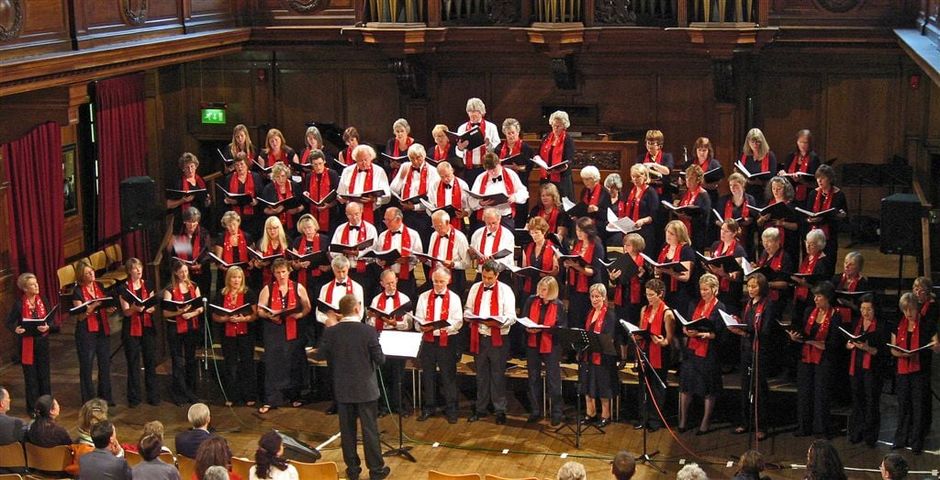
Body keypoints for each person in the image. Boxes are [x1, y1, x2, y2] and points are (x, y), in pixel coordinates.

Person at [313, 294, 391, 480]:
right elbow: (380, 360)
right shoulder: (368, 331)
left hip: (343, 389)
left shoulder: (332, 332)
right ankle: (376, 471)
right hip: (366, 389)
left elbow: (320, 355)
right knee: (370, 431)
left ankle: (353, 470)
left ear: (341, 312)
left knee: (347, 432)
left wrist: (328, 328)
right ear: (357, 309)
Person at [257, 258, 312, 414]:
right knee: (274, 363)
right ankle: (271, 399)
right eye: (278, 272)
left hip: (293, 328)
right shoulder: (267, 288)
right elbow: (260, 310)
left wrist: (300, 315)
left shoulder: (298, 287)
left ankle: (294, 396)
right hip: (274, 330)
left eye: (283, 272)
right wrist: (269, 315)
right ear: (273, 273)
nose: (281, 275)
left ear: (289, 271)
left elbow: (307, 306)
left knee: (293, 361)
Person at [465, 261, 517, 424]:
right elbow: (468, 308)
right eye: (484, 277)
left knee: (497, 375)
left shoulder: (505, 291)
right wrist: (470, 316)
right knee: (481, 375)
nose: (486, 281)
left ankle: (499, 409)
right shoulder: (475, 288)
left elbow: (511, 316)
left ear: (497, 275)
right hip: (479, 336)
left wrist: (498, 322)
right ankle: (481, 408)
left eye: (489, 278)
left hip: (498, 338)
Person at [789, 281, 842, 437]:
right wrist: (795, 337)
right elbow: (804, 333)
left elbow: (834, 343)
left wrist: (813, 342)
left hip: (824, 359)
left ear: (828, 298)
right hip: (806, 356)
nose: (815, 299)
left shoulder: (835, 315)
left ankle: (821, 429)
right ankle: (804, 426)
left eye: (819, 296)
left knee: (821, 394)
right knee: (804, 393)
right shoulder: (808, 311)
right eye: (815, 296)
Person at [414, 267, 464, 424]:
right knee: (428, 374)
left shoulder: (454, 298)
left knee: (448, 376)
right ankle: (429, 407)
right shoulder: (423, 297)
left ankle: (452, 409)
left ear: (448, 280)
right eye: (435, 281)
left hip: (446, 341)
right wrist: (421, 326)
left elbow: (458, 322)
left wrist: (438, 327)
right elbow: (417, 319)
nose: (438, 284)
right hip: (428, 341)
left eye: (441, 281)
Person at [729, 274, 774, 440]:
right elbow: (747, 324)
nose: (751, 289)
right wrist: (737, 322)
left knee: (758, 389)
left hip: (759, 350)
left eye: (754, 286)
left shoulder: (768, 305)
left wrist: (743, 331)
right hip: (746, 349)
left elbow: (766, 331)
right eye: (749, 286)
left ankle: (761, 425)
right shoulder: (748, 303)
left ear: (762, 287)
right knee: (745, 387)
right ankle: (745, 422)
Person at [678, 274, 724, 435]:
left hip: (709, 351)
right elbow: (688, 323)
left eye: (706, 289)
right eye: (701, 289)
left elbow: (721, 332)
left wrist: (708, 335)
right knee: (686, 386)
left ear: (714, 289)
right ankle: (683, 420)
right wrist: (686, 330)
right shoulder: (694, 304)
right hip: (692, 349)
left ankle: (705, 422)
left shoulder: (720, 307)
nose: (703, 292)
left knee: (708, 387)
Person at [890, 292, 935, 454]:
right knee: (903, 405)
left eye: (911, 310)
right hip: (902, 369)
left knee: (918, 406)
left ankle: (917, 441)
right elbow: (893, 348)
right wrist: (901, 354)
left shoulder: (926, 324)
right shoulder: (898, 323)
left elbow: (935, 343)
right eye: (905, 310)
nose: (908, 313)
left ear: (917, 309)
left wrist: (934, 345)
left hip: (919, 371)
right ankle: (900, 438)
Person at [210, 266, 258, 407]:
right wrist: (225, 319)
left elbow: (255, 315)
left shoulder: (248, 293)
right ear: (228, 279)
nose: (236, 280)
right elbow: (214, 315)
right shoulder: (221, 294)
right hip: (228, 334)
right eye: (233, 277)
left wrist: (244, 319)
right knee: (230, 365)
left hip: (246, 334)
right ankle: (232, 396)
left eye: (239, 277)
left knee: (247, 364)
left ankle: (249, 395)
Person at [367, 269, 413, 416]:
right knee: (383, 374)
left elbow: (409, 324)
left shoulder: (405, 299)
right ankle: (384, 406)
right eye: (388, 283)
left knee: (398, 375)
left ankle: (398, 405)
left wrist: (395, 324)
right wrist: (373, 318)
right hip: (381, 339)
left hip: (399, 338)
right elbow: (370, 323)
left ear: (397, 281)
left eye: (393, 282)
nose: (391, 286)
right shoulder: (376, 300)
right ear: (382, 284)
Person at [522, 276, 566, 426]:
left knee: (554, 380)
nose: (541, 291)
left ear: (552, 290)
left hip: (551, 346)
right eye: (540, 288)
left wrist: (548, 330)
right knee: (533, 378)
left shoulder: (558, 305)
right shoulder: (531, 300)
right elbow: (524, 318)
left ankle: (556, 412)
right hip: (533, 344)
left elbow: (562, 328)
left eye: (544, 289)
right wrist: (527, 328)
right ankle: (536, 410)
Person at [632, 279, 675, 431]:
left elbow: (669, 340)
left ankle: (655, 420)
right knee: (643, 386)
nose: (648, 298)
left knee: (656, 388)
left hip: (659, 353)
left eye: (651, 295)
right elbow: (640, 329)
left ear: (660, 294)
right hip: (645, 351)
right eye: (647, 294)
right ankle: (642, 418)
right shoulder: (644, 309)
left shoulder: (667, 313)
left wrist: (662, 341)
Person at [6, 272, 53, 411]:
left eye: (36, 283)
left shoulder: (43, 299)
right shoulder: (19, 304)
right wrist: (16, 329)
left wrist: (48, 326)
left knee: (44, 375)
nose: (37, 286)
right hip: (27, 344)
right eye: (33, 284)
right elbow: (9, 322)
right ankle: (33, 408)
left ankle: (47, 406)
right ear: (25, 289)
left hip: (42, 342)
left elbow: (50, 318)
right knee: (31, 378)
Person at [72, 261, 115, 404]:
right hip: (86, 332)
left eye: (92, 271)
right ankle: (89, 401)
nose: (92, 274)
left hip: (101, 329)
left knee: (104, 364)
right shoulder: (77, 291)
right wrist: (92, 307)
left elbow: (103, 305)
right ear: (81, 277)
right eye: (88, 273)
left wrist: (107, 310)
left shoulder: (100, 286)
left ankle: (106, 398)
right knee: (87, 366)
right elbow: (80, 316)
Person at [163, 259, 205, 405]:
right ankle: (179, 393)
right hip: (175, 328)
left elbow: (200, 308)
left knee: (190, 360)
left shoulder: (194, 286)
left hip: (191, 327)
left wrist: (191, 314)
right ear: (175, 272)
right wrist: (179, 312)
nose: (184, 274)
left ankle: (191, 391)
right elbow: (165, 313)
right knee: (178, 361)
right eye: (181, 272)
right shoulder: (169, 290)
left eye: (186, 271)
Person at [120, 258, 160, 407]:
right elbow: (125, 312)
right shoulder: (124, 289)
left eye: (140, 267)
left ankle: (153, 396)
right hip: (131, 328)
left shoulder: (148, 284)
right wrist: (135, 309)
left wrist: (149, 308)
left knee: (150, 361)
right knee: (133, 363)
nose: (139, 270)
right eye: (135, 268)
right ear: (129, 271)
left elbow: (152, 305)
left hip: (147, 327)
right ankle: (134, 398)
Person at [846, 293, 884, 447]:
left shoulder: (881, 325)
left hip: (873, 370)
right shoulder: (857, 323)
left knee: (871, 402)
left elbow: (882, 351)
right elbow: (848, 341)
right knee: (857, 401)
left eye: (868, 309)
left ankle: (870, 436)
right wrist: (849, 345)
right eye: (862, 309)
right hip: (856, 367)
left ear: (875, 310)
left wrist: (867, 348)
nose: (865, 312)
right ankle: (857, 432)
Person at [579, 283, 616, 428]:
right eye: (592, 296)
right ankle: (591, 413)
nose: (594, 299)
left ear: (604, 297)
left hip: (603, 356)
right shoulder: (589, 313)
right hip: (588, 355)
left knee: (603, 386)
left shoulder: (610, 315)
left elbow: (610, 337)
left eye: (597, 297)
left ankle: (606, 415)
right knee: (588, 384)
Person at [389, 143, 439, 244]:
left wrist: (414, 207)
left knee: (421, 242)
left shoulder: (433, 171)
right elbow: (393, 190)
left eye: (418, 158)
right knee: (405, 242)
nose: (415, 161)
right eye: (412, 158)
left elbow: (432, 199)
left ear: (424, 156)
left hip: (423, 215)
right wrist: (401, 178)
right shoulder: (405, 167)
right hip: (405, 213)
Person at [803, 164, 847, 273]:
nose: (819, 181)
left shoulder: (839, 195)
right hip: (813, 234)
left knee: (828, 263)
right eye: (818, 178)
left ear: (830, 179)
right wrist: (809, 219)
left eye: (822, 178)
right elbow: (807, 213)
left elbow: (844, 214)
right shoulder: (813, 193)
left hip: (829, 235)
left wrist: (841, 214)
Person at [330, 201, 379, 298]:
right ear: (346, 215)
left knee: (363, 298)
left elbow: (374, 249)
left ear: (361, 211)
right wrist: (343, 254)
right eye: (351, 215)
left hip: (364, 271)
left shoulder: (370, 228)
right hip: (345, 271)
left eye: (357, 214)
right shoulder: (340, 229)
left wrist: (358, 253)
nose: (354, 217)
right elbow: (332, 250)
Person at [469, 152, 529, 231]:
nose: (492, 172)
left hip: (505, 216)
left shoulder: (510, 174)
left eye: (494, 169)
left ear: (499, 163)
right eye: (489, 170)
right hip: (486, 219)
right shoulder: (480, 178)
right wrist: (480, 203)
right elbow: (472, 199)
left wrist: (514, 197)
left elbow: (524, 192)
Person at [374, 206, 423, 300]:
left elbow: (418, 258)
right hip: (388, 278)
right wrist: (379, 262)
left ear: (398, 219)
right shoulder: (382, 236)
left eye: (389, 220)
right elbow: (378, 256)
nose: (386, 223)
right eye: (385, 220)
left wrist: (408, 259)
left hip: (406, 278)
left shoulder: (413, 234)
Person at [337, 144, 391, 225]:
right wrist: (342, 198)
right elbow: (340, 193)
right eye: (360, 160)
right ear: (355, 159)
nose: (363, 163)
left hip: (372, 214)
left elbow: (387, 196)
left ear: (371, 157)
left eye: (366, 160)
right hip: (351, 215)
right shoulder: (347, 171)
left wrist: (374, 199)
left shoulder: (379, 171)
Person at [494, 118, 535, 227]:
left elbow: (530, 166)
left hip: (520, 182)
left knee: (520, 211)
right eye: (508, 133)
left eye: (513, 133)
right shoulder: (498, 149)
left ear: (518, 132)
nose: (511, 136)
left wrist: (518, 168)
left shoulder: (526, 148)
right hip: (503, 185)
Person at [565, 217, 605, 325]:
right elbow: (574, 260)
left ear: (589, 231)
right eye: (577, 230)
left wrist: (576, 266)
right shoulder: (577, 243)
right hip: (574, 287)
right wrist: (568, 264)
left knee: (585, 316)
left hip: (589, 287)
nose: (578, 233)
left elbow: (594, 271)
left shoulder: (597, 246)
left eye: (581, 231)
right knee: (574, 316)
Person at [422, 210, 470, 295]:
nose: (437, 229)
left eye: (440, 226)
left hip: (454, 278)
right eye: (435, 227)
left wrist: (453, 264)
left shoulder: (460, 237)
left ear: (447, 222)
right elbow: (432, 260)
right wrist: (425, 260)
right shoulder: (434, 235)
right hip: (436, 276)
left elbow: (467, 263)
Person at [517, 216, 560, 308]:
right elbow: (524, 267)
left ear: (544, 232)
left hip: (546, 287)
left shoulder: (553, 248)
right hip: (529, 286)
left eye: (536, 233)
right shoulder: (527, 247)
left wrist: (547, 274)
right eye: (532, 233)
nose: (534, 236)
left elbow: (556, 270)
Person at [707, 219, 748, 315]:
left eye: (726, 231)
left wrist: (723, 274)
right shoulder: (715, 245)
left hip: (730, 293)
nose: (722, 233)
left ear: (734, 233)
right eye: (722, 229)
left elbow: (737, 275)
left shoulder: (739, 250)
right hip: (716, 290)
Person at [168, 207, 212, 296]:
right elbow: (175, 254)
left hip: (202, 271)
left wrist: (200, 264)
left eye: (194, 222)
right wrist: (186, 265)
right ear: (184, 221)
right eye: (189, 222)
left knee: (203, 295)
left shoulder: (204, 233)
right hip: (184, 272)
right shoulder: (180, 234)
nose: (192, 225)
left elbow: (207, 252)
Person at [454, 97, 500, 182]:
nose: (472, 114)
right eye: (470, 111)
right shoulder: (462, 128)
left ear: (481, 112)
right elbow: (459, 154)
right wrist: (460, 148)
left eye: (475, 111)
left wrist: (488, 145)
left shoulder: (491, 127)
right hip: (468, 170)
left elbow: (497, 150)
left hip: (486, 168)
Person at [609, 233, 649, 327]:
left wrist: (641, 276)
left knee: (632, 323)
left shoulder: (644, 261)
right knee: (619, 324)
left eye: (628, 245)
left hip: (636, 299)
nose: (625, 247)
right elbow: (616, 281)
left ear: (636, 246)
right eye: (624, 245)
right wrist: (612, 277)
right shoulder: (622, 259)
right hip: (621, 297)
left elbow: (648, 281)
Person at [655, 220, 695, 315]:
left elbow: (685, 277)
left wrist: (668, 271)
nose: (668, 235)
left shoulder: (686, 250)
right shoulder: (665, 247)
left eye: (671, 234)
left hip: (680, 294)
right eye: (667, 232)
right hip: (665, 291)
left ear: (679, 235)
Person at [756, 176, 799, 261]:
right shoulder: (767, 204)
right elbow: (758, 223)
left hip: (787, 242)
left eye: (779, 188)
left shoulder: (791, 205)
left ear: (785, 189)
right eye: (773, 188)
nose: (775, 191)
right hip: (768, 242)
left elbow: (797, 226)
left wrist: (782, 224)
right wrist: (762, 219)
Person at [791, 229, 830, 324]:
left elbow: (822, 286)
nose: (807, 246)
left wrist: (805, 284)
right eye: (806, 243)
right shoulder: (808, 258)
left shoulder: (822, 262)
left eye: (811, 244)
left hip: (811, 301)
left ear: (819, 245)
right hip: (801, 297)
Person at [222, 153, 264, 237]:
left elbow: (261, 195)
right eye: (237, 165)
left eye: (241, 164)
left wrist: (256, 201)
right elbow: (224, 196)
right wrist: (227, 201)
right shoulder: (229, 178)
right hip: (234, 217)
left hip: (252, 216)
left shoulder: (256, 177)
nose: (239, 167)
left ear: (246, 164)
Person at [715, 173, 756, 253]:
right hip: (727, 237)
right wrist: (724, 225)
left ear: (742, 185)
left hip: (745, 238)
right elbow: (716, 220)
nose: (732, 188)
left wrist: (748, 221)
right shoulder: (724, 200)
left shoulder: (750, 200)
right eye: (730, 185)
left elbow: (753, 218)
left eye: (735, 185)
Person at [167, 152, 210, 228]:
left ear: (196, 166)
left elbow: (205, 204)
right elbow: (169, 205)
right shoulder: (178, 183)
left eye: (192, 166)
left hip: (200, 220)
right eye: (187, 167)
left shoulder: (201, 181)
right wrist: (182, 201)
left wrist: (207, 201)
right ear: (183, 169)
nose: (190, 170)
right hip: (183, 221)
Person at [622, 163, 659, 250]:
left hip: (644, 231)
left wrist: (643, 221)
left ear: (645, 177)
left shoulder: (651, 192)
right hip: (630, 230)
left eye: (638, 177)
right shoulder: (630, 191)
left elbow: (654, 215)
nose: (635, 179)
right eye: (633, 176)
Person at [537, 111, 575, 198]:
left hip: (561, 178)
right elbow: (538, 153)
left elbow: (568, 160)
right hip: (546, 176)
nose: (555, 128)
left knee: (560, 203)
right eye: (553, 125)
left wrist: (556, 170)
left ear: (564, 126)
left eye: (558, 126)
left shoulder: (568, 140)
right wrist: (537, 158)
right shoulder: (546, 138)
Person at [674, 164, 712, 251]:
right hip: (683, 231)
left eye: (691, 178)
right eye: (687, 177)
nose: (688, 180)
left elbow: (704, 218)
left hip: (696, 234)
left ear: (698, 180)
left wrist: (688, 217)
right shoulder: (687, 193)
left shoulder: (703, 195)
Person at [426, 160, 470, 233]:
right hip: (439, 222)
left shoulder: (462, 185)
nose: (445, 179)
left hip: (458, 220)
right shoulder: (434, 185)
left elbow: (468, 206)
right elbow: (430, 204)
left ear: (452, 170)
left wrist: (465, 213)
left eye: (447, 176)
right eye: (442, 177)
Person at [303, 148, 341, 232]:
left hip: (331, 213)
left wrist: (328, 205)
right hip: (314, 212)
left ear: (324, 161)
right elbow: (306, 191)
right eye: (315, 164)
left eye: (320, 163)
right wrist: (306, 194)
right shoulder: (309, 176)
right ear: (311, 165)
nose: (318, 167)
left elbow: (338, 194)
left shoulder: (332, 174)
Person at [469, 207, 516, 274]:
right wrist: (472, 254)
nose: (491, 226)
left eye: (494, 223)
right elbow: (473, 253)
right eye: (488, 223)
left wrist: (493, 264)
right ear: (484, 221)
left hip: (501, 272)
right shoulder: (477, 234)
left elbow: (508, 259)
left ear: (499, 219)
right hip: (482, 272)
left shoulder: (507, 235)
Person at [778, 129, 820, 203]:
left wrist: (801, 180)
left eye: (805, 142)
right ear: (797, 142)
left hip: (807, 195)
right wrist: (783, 174)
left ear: (810, 143)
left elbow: (816, 183)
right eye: (800, 142)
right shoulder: (791, 156)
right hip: (790, 194)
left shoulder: (814, 158)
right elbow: (786, 172)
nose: (802, 145)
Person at [261, 163, 303, 232]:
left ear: (287, 175)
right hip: (275, 225)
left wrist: (296, 210)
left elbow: (303, 204)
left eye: (283, 176)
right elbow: (264, 209)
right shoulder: (268, 188)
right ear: (274, 177)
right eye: (277, 177)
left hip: (294, 223)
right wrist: (274, 211)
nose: (281, 179)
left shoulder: (294, 186)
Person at [739, 128, 776, 205]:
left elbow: (772, 176)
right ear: (748, 142)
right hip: (747, 191)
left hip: (763, 192)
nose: (755, 144)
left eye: (758, 142)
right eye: (752, 142)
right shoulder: (745, 155)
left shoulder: (769, 156)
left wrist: (760, 182)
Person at [252, 215, 289, 287]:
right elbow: (257, 263)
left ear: (279, 228)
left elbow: (291, 261)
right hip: (266, 278)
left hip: (283, 276)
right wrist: (258, 264)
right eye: (269, 229)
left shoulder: (287, 240)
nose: (272, 231)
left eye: (275, 228)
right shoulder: (261, 242)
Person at [578, 165, 612, 235]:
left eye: (587, 179)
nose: (585, 182)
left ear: (595, 178)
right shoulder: (584, 191)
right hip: (584, 224)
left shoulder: (604, 193)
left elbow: (608, 214)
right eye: (583, 179)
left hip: (599, 227)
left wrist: (597, 209)